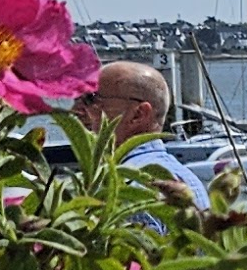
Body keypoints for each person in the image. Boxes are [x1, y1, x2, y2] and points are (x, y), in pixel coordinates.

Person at [79, 58, 201, 201]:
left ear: (138, 114)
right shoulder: (187, 178)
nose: (78, 110)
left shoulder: (133, 186)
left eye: (91, 99)